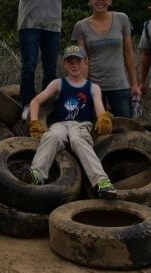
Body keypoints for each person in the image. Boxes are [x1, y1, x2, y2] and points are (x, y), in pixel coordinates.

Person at [18, 45, 116, 198]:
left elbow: (99, 108)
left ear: (86, 63)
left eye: (78, 61)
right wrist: (35, 122)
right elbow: (36, 101)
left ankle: (101, 182)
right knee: (52, 136)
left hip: (82, 124)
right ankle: (37, 175)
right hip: (61, 124)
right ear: (64, 64)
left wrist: (103, 118)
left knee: (78, 139)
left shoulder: (93, 87)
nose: (75, 65)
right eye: (70, 62)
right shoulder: (58, 83)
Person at [71, 0, 139, 118]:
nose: (100, 1)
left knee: (125, 128)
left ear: (110, 1)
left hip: (119, 85)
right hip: (95, 87)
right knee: (96, 129)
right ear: (90, 0)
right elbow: (83, 60)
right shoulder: (81, 26)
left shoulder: (122, 19)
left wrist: (134, 84)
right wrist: (82, 87)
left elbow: (128, 52)